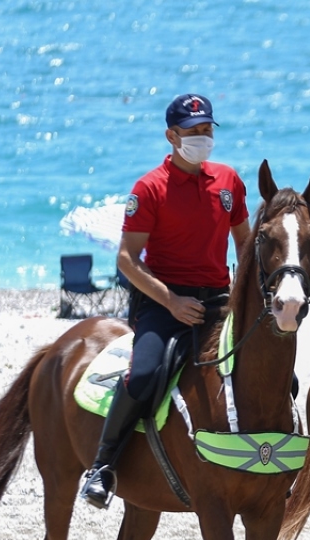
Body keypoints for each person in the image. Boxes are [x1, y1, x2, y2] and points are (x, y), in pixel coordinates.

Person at [79, 92, 252, 510]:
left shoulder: (229, 181)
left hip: (218, 301)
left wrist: (248, 299)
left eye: (208, 130)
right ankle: (102, 466)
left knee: (274, 369)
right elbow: (126, 259)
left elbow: (244, 244)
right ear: (171, 136)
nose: (203, 137)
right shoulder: (150, 188)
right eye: (194, 131)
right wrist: (171, 302)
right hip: (163, 304)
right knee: (144, 376)